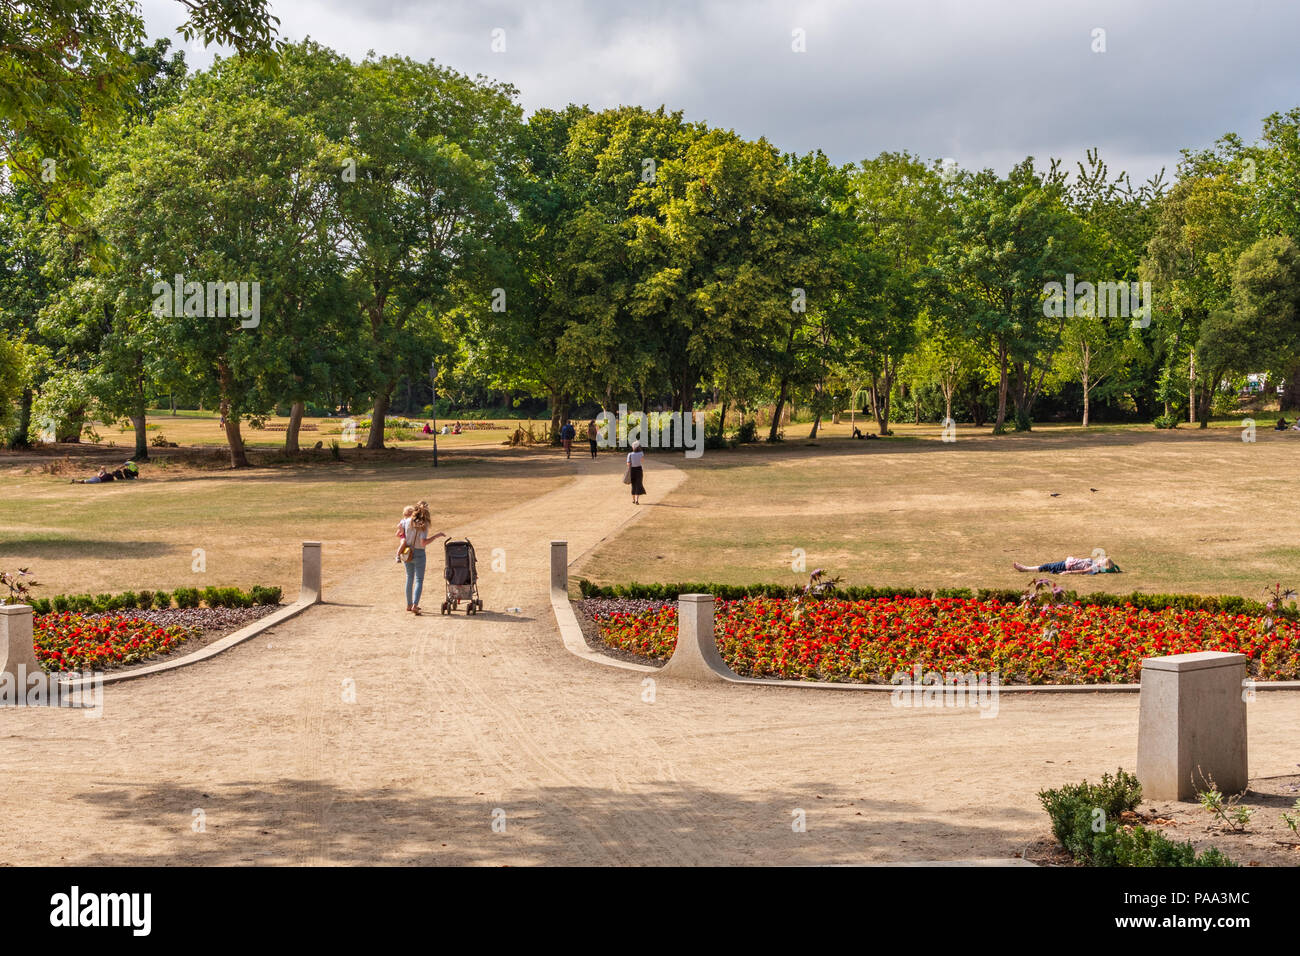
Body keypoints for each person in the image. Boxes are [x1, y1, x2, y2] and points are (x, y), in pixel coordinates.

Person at [399, 500, 446, 614]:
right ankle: (415, 605)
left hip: (407, 552)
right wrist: (436, 536)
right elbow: (423, 542)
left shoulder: (406, 521)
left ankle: (409, 604)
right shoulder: (423, 524)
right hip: (419, 553)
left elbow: (400, 534)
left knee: (409, 578)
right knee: (419, 580)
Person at [1013, 555, 1120, 575]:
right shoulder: (1096, 564)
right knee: (1047, 566)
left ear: (1103, 565)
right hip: (1067, 563)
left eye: (1103, 560)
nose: (1101, 559)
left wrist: (1069, 572)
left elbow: (1083, 571)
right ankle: (1025, 568)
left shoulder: (1095, 568)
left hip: (1065, 566)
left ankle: (1025, 568)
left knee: (1046, 566)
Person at [626, 440, 646, 504]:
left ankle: (633, 500)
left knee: (633, 485)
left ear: (633, 447)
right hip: (639, 469)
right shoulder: (641, 453)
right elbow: (642, 460)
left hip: (632, 470)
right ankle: (637, 500)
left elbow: (628, 464)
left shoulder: (630, 454)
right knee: (638, 484)